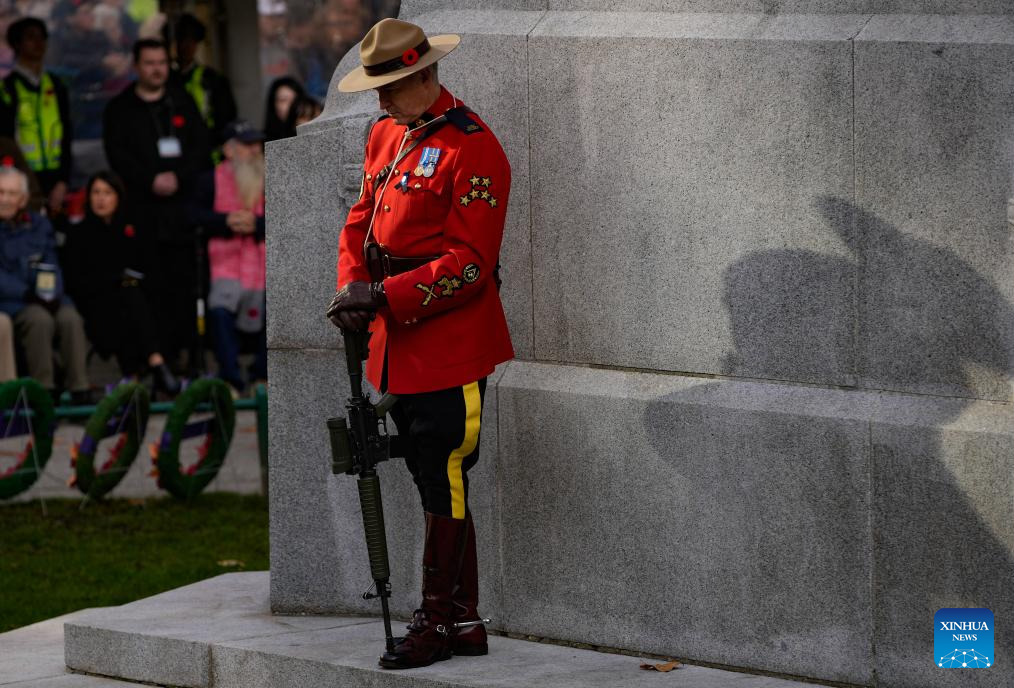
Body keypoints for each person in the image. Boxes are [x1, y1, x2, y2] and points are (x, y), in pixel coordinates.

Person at [326, 18, 514, 670]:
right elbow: (361, 220)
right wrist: (352, 286)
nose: (379, 99)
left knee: (446, 475)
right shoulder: (387, 133)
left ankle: (435, 621)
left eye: (392, 86)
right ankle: (461, 619)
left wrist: (383, 297)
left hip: (450, 342)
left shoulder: (475, 148)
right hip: (393, 342)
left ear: (427, 75)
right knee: (430, 475)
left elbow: (469, 262)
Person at [103, 38, 210, 371]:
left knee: (183, 291)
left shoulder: (182, 102)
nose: (157, 69)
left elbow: (201, 147)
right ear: (136, 67)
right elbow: (117, 155)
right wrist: (150, 179)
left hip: (181, 216)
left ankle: (186, 362)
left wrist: (178, 177)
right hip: (142, 214)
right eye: (150, 63)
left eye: (162, 62)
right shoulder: (120, 108)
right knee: (148, 291)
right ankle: (152, 362)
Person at [62, 171, 180, 395]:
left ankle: (134, 376)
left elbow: (149, 268)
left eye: (107, 192)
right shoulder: (78, 234)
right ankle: (156, 363)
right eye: (96, 192)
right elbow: (76, 280)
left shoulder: (131, 229)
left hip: (133, 303)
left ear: (118, 197)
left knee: (138, 300)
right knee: (128, 300)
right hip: (96, 306)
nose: (101, 199)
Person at [187, 120, 266, 394]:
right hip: (225, 265)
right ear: (229, 150)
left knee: (274, 306)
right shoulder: (210, 179)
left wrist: (256, 225)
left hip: (261, 265)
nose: (255, 150)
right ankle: (230, 379)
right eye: (247, 145)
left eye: (257, 144)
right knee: (219, 313)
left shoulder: (271, 176)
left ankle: (261, 376)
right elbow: (193, 216)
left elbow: (285, 218)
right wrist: (225, 221)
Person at [0, 165, 90, 403]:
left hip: (42, 296)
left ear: (23, 199)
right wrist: (29, 293)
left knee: (69, 317)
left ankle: (80, 388)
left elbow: (52, 262)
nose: (5, 199)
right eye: (0, 193)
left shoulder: (39, 224)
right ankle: (44, 392)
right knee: (38, 319)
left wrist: (51, 292)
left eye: (11, 193)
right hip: (12, 302)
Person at [0, 17, 73, 216]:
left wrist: (63, 181)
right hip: (20, 181)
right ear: (17, 43)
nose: (38, 43)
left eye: (42, 38)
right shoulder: (7, 88)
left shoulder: (56, 85)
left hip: (55, 179)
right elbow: (4, 140)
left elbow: (66, 134)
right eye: (31, 37)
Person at [168, 13, 237, 151]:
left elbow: (227, 118)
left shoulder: (213, 79)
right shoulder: (166, 78)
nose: (186, 46)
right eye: (182, 39)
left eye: (192, 40)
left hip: (207, 149)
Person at [263, 76, 303, 142]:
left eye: (295, 100)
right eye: (283, 100)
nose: (292, 105)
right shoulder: (263, 141)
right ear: (273, 104)